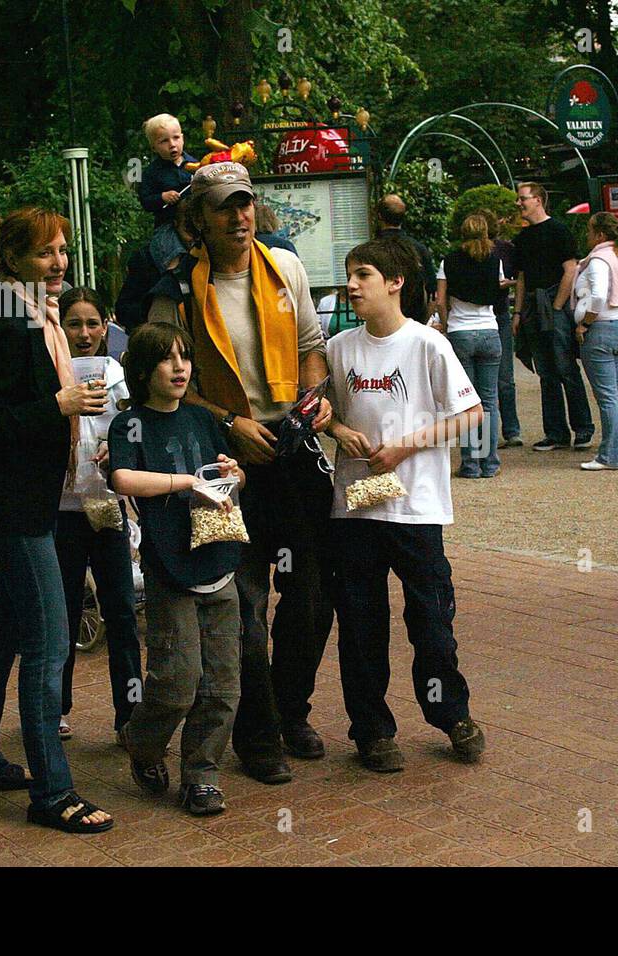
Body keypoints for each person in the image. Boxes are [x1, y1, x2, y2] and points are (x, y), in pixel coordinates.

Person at [148, 161, 334, 785]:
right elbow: (164, 382)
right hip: (224, 456)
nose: (239, 216)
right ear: (197, 219)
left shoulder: (285, 268)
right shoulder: (176, 288)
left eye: (245, 204)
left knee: (310, 595)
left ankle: (290, 709)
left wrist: (312, 400)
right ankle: (257, 735)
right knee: (245, 606)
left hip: (289, 447)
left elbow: (311, 349)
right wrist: (229, 423)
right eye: (224, 207)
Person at [0, 206, 114, 834]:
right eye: (46, 252)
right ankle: (52, 792)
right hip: (14, 506)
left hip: (27, 498)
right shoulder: (0, 315)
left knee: (9, 631)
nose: (59, 263)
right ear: (14, 257)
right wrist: (59, 402)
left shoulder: (28, 311)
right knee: (50, 642)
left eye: (63, 250)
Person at [324, 238, 487, 772]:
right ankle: (371, 731)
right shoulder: (339, 347)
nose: (352, 285)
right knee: (361, 623)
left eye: (363, 274)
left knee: (432, 621)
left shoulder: (427, 345)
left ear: (394, 282)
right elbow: (324, 414)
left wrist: (406, 447)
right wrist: (342, 431)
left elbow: (471, 414)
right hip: (354, 512)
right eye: (349, 274)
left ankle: (451, 716)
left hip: (416, 510)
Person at [109, 322, 244, 816]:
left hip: (219, 559)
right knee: (177, 681)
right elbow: (122, 476)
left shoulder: (202, 420)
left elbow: (225, 479)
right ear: (143, 370)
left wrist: (233, 475)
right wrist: (187, 480)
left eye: (184, 357)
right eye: (167, 359)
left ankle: (201, 775)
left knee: (223, 684)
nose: (180, 367)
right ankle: (143, 744)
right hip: (171, 568)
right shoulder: (130, 423)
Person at [53, 287, 141, 743]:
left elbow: (130, 425)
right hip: (63, 512)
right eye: (74, 324)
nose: (84, 334)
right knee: (63, 614)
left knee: (122, 612)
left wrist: (117, 447)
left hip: (107, 508)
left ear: (106, 326)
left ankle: (130, 715)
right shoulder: (51, 372)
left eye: (92, 324)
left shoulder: (115, 372)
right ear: (60, 327)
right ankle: (56, 708)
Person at [511, 182, 594, 452]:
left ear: (538, 200)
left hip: (552, 303)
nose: (519, 203)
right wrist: (519, 312)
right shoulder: (521, 239)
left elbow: (570, 269)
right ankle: (556, 432)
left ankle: (582, 428)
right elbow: (521, 278)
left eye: (522, 198)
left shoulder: (559, 230)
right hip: (535, 306)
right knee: (546, 371)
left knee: (566, 367)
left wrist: (558, 306)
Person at [435, 213, 505, 479]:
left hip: (461, 331)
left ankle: (470, 463)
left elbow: (441, 300)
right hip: (489, 329)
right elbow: (499, 292)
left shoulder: (449, 261)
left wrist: (444, 322)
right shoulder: (494, 260)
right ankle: (490, 462)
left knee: (465, 401)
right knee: (489, 401)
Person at [573, 213, 618, 471]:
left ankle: (609, 455)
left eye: (590, 231)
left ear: (600, 235)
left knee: (607, 396)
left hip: (601, 328)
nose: (587, 236)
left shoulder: (599, 260)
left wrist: (585, 322)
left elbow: (598, 296)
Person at [482, 209, 522, 448]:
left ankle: (509, 429)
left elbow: (521, 277)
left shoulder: (507, 249)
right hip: (493, 313)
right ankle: (502, 431)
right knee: (501, 377)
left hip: (499, 312)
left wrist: (512, 286)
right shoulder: (500, 251)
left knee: (504, 377)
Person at [375, 194, 437, 321]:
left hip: (382, 319)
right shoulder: (419, 249)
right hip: (414, 318)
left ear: (379, 216)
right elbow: (432, 293)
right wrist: (422, 321)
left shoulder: (372, 249)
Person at [138, 113, 196, 228]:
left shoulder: (195, 164)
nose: (172, 144)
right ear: (154, 147)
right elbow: (145, 201)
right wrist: (162, 197)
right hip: (168, 223)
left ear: (182, 139)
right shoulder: (152, 172)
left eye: (176, 138)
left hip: (196, 220)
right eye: (164, 141)